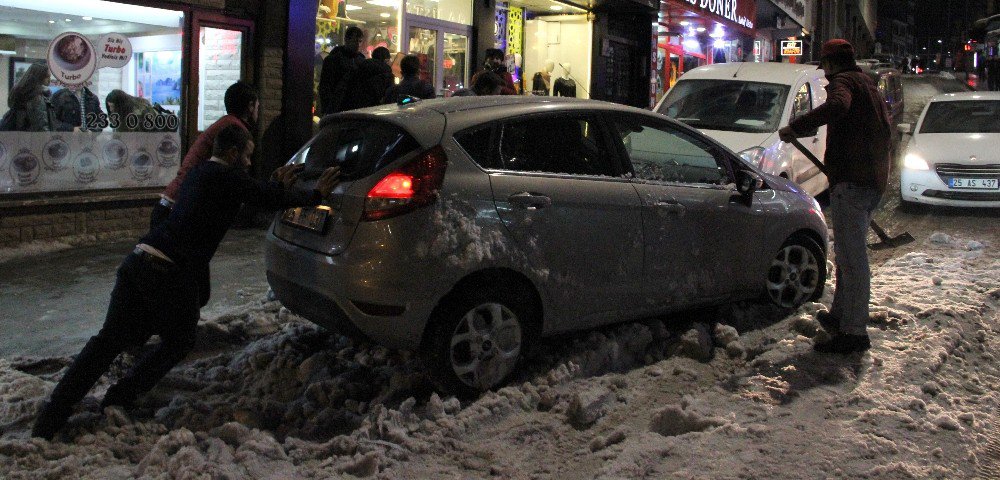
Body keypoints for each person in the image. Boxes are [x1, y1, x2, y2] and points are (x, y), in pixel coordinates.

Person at [31, 125, 342, 440]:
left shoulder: (201, 174)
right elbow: (258, 195)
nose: (249, 162)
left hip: (140, 259)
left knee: (107, 342)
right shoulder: (227, 177)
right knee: (179, 340)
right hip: (168, 271)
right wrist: (315, 194)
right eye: (247, 156)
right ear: (233, 154)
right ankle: (122, 396)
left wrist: (275, 186)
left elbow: (242, 202)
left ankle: (52, 415)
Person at [778, 39, 892, 355]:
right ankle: (841, 315)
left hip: (853, 183)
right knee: (846, 254)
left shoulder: (843, 82)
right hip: (871, 180)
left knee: (853, 260)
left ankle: (854, 333)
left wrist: (797, 126)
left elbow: (837, 106)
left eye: (824, 65)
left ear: (830, 63)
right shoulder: (867, 82)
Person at [151, 81, 259, 229]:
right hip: (178, 207)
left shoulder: (226, 123)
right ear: (251, 106)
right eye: (257, 106)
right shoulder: (235, 130)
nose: (249, 162)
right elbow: (237, 175)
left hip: (173, 202)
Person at [318, 26, 366, 115]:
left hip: (355, 108)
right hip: (337, 108)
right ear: (346, 40)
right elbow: (325, 88)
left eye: (360, 41)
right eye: (355, 41)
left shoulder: (362, 61)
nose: (358, 44)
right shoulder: (332, 60)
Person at [1, 63, 55, 132]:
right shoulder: (37, 97)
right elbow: (41, 126)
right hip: (32, 139)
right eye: (47, 77)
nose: (49, 80)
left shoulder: (19, 92)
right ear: (39, 76)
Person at [338, 46, 395, 110]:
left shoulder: (359, 68)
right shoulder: (387, 75)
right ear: (386, 61)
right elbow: (389, 98)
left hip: (355, 109)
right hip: (375, 112)